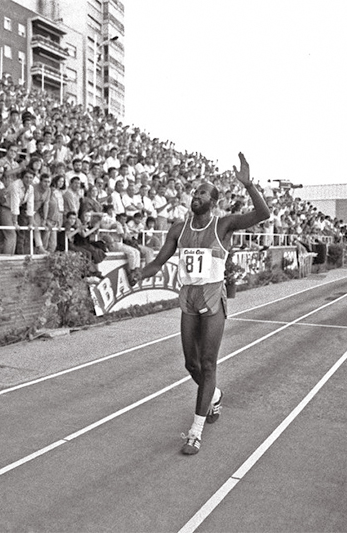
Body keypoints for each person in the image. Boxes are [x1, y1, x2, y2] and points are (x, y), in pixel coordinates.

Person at [138, 153, 270, 456]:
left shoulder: (223, 225)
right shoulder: (177, 229)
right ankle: (215, 394)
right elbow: (158, 263)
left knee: (208, 364)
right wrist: (137, 274)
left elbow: (262, 214)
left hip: (212, 298)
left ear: (213, 201)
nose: (195, 195)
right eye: (195, 191)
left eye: (202, 192)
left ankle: (195, 432)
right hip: (188, 298)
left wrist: (249, 185)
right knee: (191, 364)